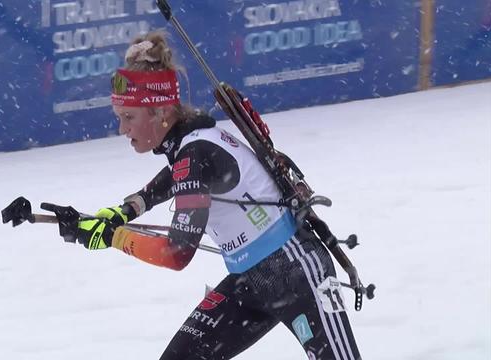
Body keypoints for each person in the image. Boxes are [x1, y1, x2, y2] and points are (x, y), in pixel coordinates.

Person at [40, 31, 362, 360]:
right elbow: (178, 177)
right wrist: (126, 211)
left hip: (297, 272)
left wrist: (113, 236)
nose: (123, 129)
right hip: (251, 279)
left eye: (129, 118)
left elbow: (176, 253)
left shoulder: (193, 154)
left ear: (160, 112)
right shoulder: (192, 143)